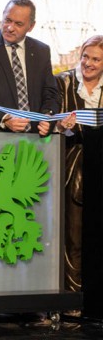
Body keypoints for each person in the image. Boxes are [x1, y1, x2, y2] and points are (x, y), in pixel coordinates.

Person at [0, 0, 59, 134]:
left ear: (31, 26)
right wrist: (4, 118)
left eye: (18, 24)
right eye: (8, 20)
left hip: (34, 138)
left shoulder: (42, 51)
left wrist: (47, 117)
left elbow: (50, 92)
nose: (10, 28)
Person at [55, 35, 103, 293]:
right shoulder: (63, 83)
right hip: (72, 168)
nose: (89, 63)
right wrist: (63, 126)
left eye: (96, 59)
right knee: (72, 235)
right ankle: (72, 298)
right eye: (86, 56)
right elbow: (49, 121)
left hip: (99, 168)